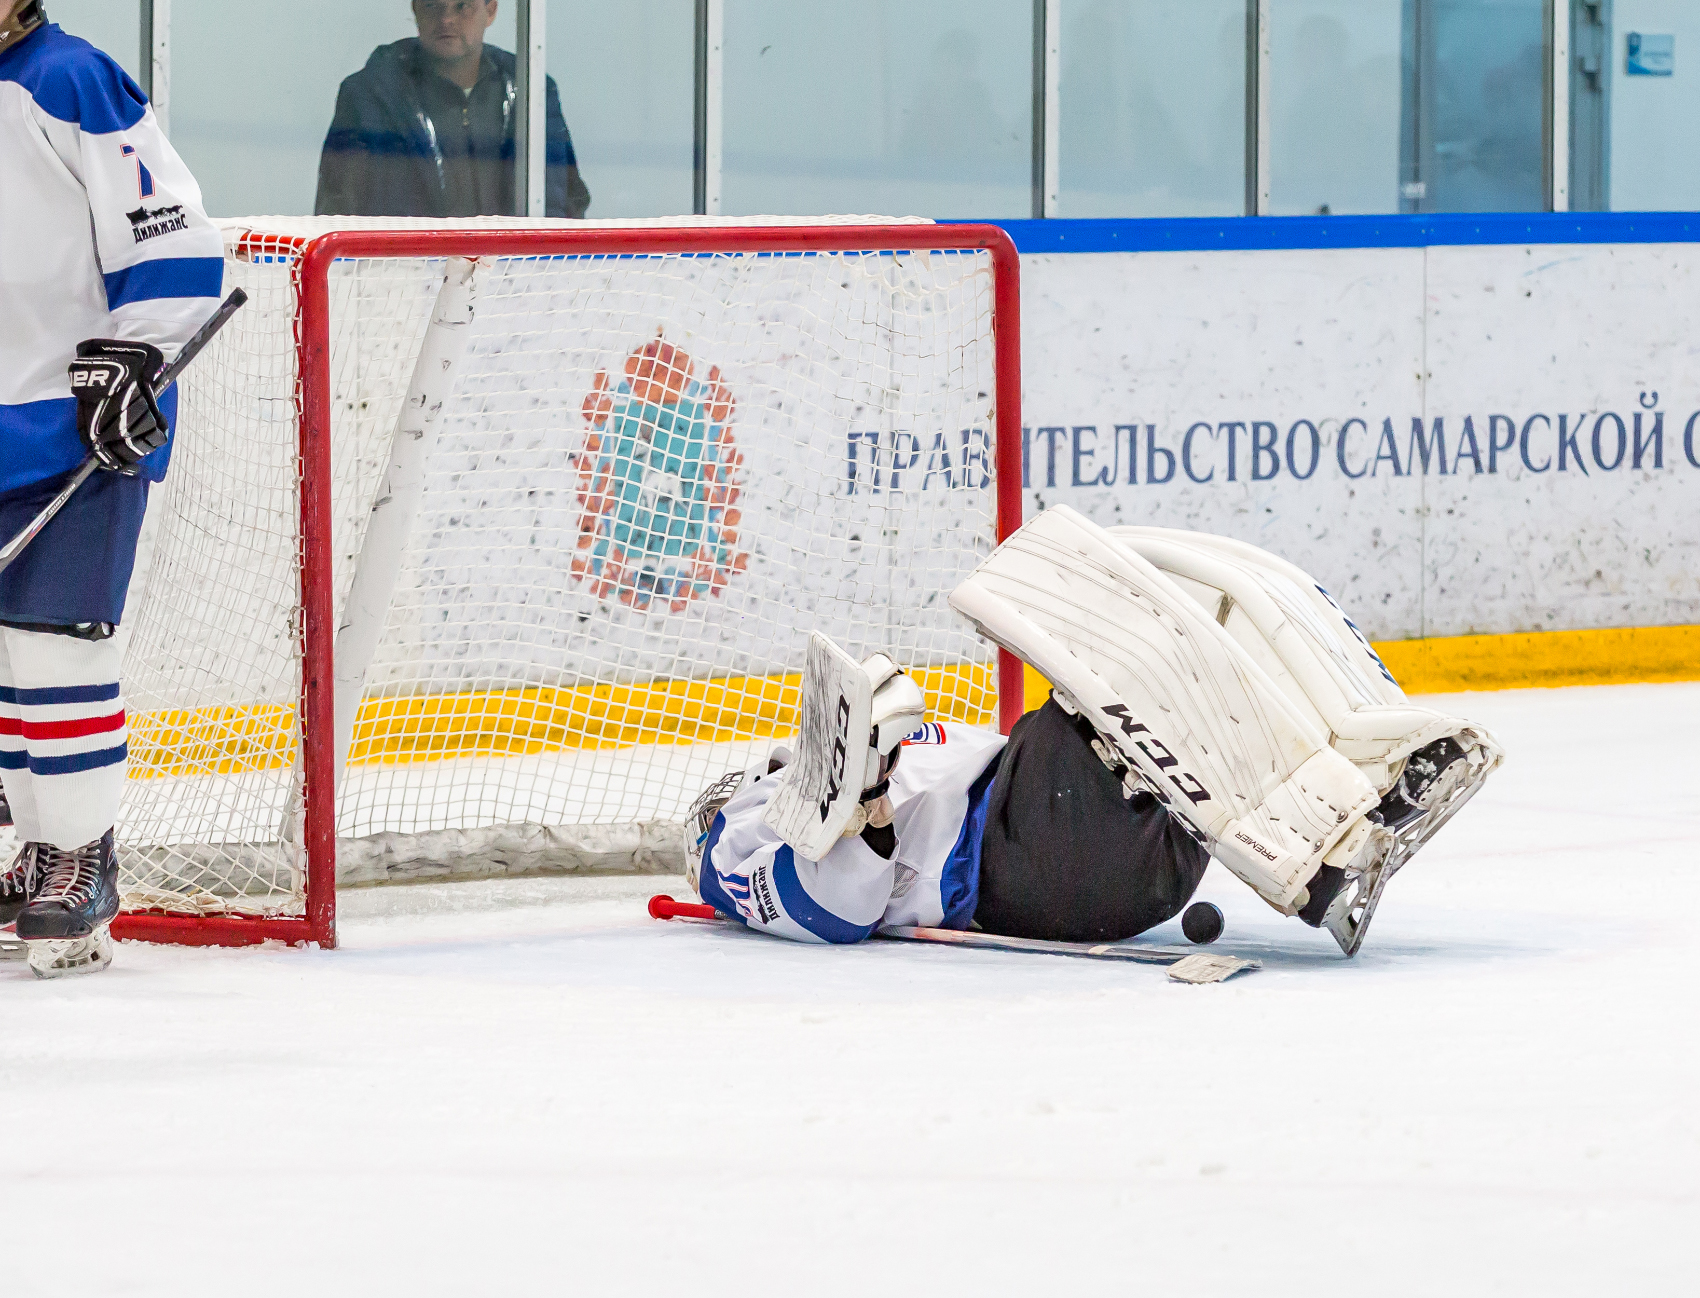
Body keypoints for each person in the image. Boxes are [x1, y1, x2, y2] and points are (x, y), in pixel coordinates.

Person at [689, 508, 1504, 957]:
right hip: (1025, 859)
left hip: (1097, 851)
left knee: (1195, 679)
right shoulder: (729, 852)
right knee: (1131, 666)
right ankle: (1325, 864)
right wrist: (867, 804)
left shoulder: (830, 753)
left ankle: (1363, 797)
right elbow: (838, 912)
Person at [0, 1, 224, 977]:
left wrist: (137, 352)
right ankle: (38, 847)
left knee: (55, 643)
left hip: (74, 427)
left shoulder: (71, 80)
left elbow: (172, 234)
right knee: (6, 658)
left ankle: (82, 851)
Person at [315, 0, 590, 219]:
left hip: (514, 271)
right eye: (433, 5)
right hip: (401, 271)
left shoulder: (532, 92)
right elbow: (337, 212)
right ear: (415, 9)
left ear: (490, 10)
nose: (446, 19)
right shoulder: (369, 95)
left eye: (462, 5)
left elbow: (566, 203)